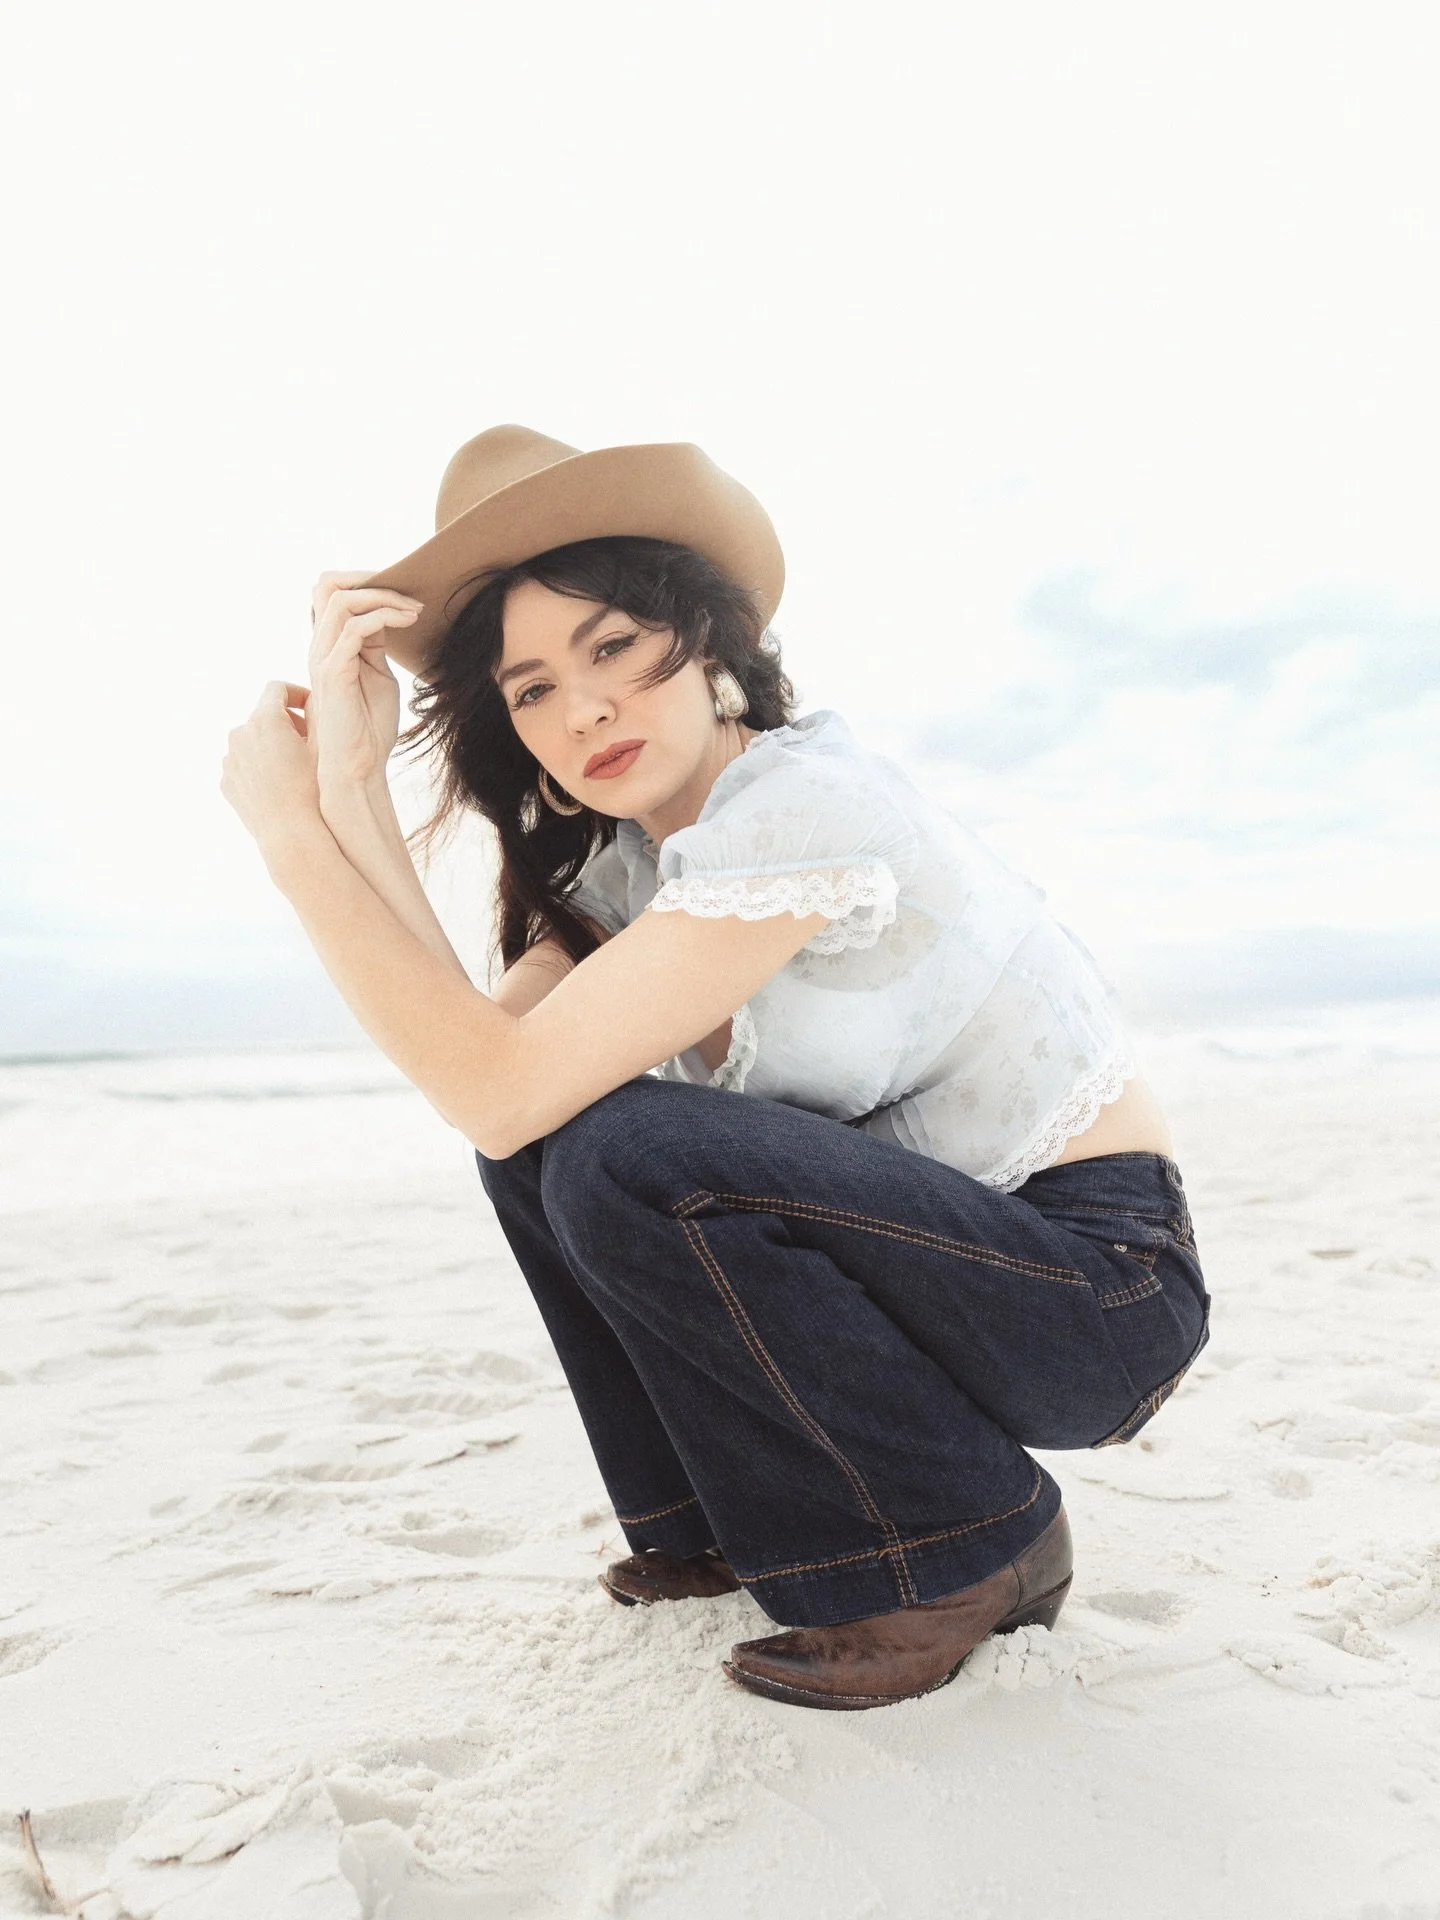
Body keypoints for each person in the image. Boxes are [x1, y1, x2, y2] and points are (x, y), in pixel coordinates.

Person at [221, 424, 1211, 1712]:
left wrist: (294, 846)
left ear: (709, 643)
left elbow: (492, 1076)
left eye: (613, 648)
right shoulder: (625, 874)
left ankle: (973, 1544)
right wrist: (350, 777)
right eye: (530, 691)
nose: (582, 709)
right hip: (957, 1277)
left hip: (1093, 1289)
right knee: (544, 1149)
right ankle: (703, 1517)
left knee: (626, 1150)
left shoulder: (803, 805)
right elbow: (479, 1061)